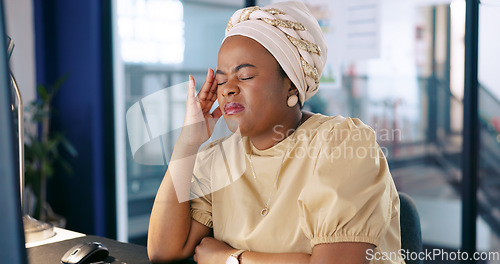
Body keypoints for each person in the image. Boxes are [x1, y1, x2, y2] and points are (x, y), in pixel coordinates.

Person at [147, 1, 404, 264]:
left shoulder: (341, 144)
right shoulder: (218, 157)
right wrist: (187, 143)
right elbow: (163, 250)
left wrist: (230, 259)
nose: (227, 89)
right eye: (221, 80)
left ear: (291, 85)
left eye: (245, 76)